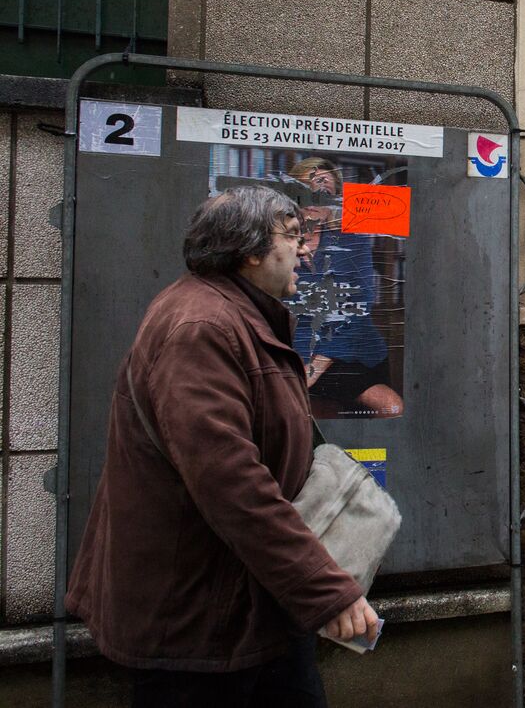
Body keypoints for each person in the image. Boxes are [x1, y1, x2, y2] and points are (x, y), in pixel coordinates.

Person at [66, 186, 379, 705]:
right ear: (251, 252)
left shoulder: (237, 314)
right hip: (199, 621)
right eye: (293, 237)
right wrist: (323, 587)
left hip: (247, 605)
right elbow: (229, 480)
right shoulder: (202, 328)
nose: (305, 249)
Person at [288, 157, 404, 418]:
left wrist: (315, 369)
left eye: (325, 192)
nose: (316, 199)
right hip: (298, 353)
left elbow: (358, 307)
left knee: (392, 408)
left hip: (350, 351)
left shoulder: (352, 239)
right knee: (312, 420)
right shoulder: (280, 239)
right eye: (308, 190)